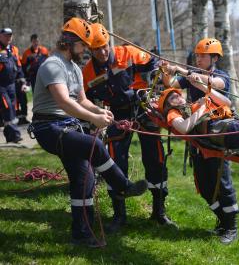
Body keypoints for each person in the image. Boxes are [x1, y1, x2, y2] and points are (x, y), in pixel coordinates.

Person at [29, 18, 149, 247]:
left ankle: (81, 234)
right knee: (93, 145)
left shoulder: (74, 67)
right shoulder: (52, 65)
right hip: (49, 128)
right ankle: (123, 187)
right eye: (83, 44)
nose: (86, 50)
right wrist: (93, 119)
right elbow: (64, 102)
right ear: (69, 41)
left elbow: (81, 100)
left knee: (85, 178)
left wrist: (99, 110)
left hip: (66, 126)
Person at [82, 23, 177, 233]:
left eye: (105, 46)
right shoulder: (88, 72)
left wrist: (154, 78)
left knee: (155, 157)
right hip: (116, 114)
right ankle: (119, 215)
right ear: (90, 50)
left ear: (109, 43)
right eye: (97, 49)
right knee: (115, 161)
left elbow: (152, 62)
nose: (102, 51)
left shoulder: (128, 53)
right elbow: (85, 98)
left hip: (142, 107)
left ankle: (159, 212)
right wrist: (94, 117)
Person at [162, 38, 239, 244]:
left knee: (222, 181)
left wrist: (184, 71)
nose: (198, 58)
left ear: (214, 58)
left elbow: (214, 84)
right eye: (196, 55)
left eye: (202, 56)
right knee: (204, 184)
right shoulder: (190, 77)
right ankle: (222, 220)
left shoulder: (221, 76)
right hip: (197, 134)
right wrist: (166, 71)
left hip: (216, 135)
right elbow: (170, 85)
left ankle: (231, 226)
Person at [0, 27, 23, 143]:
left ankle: (10, 136)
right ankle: (16, 135)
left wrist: (22, 81)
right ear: (0, 36)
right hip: (1, 86)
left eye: (10, 35)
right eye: (5, 35)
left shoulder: (14, 49)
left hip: (11, 85)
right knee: (7, 107)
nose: (8, 37)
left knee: (12, 109)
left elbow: (18, 66)